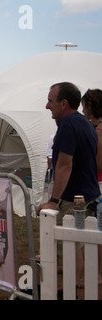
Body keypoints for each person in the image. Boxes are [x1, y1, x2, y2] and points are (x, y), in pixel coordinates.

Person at [37, 82, 101, 285]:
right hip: (85, 196)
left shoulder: (68, 125)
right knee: (75, 245)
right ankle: (70, 288)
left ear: (63, 103)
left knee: (71, 246)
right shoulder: (85, 123)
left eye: (50, 101)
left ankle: (68, 291)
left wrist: (52, 201)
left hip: (73, 199)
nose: (48, 106)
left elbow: (65, 164)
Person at [81, 88, 102, 285]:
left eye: (84, 105)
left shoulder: (99, 129)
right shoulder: (92, 126)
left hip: (99, 184)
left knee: (97, 230)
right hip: (94, 182)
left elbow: (99, 162)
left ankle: (97, 273)